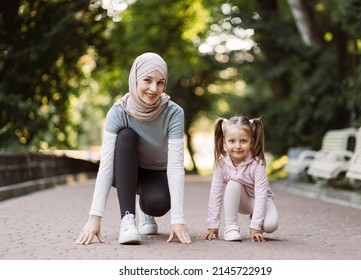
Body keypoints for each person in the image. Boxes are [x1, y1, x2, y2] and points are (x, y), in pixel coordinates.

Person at [77, 52, 191, 245]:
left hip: (157, 171)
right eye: (147, 80)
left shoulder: (174, 113)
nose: (154, 89)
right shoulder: (118, 111)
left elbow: (176, 165)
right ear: (135, 78)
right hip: (126, 170)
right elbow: (106, 165)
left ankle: (146, 211)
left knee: (157, 204)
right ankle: (128, 220)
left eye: (160, 82)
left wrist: (177, 220)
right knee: (126, 136)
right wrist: (94, 218)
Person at [202, 116, 279, 242]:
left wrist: (255, 227)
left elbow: (261, 194)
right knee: (233, 182)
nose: (238, 146)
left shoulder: (257, 164)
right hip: (238, 200)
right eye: (232, 141)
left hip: (258, 200)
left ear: (252, 141)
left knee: (270, 225)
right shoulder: (221, 164)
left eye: (243, 141)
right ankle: (231, 227)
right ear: (224, 142)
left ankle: (256, 218)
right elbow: (215, 193)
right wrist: (213, 225)